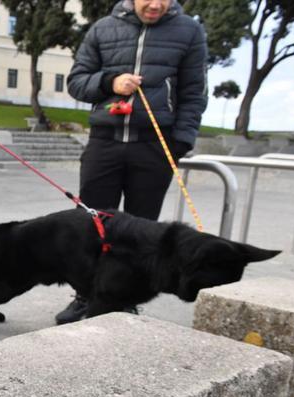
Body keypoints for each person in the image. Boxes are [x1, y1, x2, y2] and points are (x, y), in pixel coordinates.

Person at [58, 0, 208, 324]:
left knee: (141, 232)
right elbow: (76, 81)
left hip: (153, 145)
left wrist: (179, 143)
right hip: (104, 143)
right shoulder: (101, 29)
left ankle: (124, 299)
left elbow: (195, 92)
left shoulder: (190, 31)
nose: (155, 4)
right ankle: (85, 295)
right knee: (91, 224)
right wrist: (110, 82)